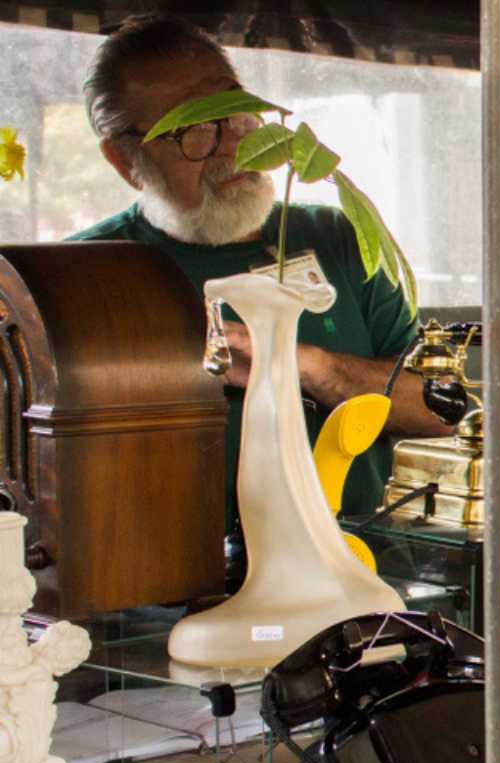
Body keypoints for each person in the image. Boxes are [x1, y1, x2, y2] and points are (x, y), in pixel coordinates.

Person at [69, 15, 450, 528]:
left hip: (360, 564)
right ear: (124, 160)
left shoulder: (335, 236)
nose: (233, 146)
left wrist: (306, 366)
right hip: (167, 594)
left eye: (237, 111)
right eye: (193, 129)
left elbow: (437, 410)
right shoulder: (81, 275)